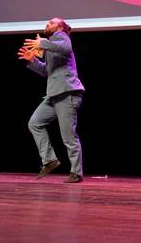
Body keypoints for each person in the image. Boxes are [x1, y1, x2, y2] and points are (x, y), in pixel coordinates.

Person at [18, 17, 85, 183]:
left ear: (60, 28)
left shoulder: (61, 38)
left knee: (68, 136)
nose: (47, 24)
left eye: (51, 22)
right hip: (54, 94)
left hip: (67, 93)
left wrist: (42, 44)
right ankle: (49, 160)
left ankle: (76, 172)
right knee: (35, 123)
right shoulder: (50, 46)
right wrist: (32, 60)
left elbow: (66, 48)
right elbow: (47, 71)